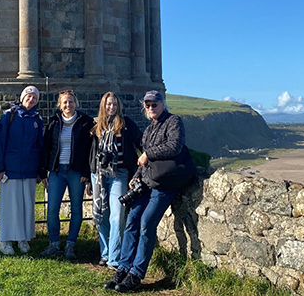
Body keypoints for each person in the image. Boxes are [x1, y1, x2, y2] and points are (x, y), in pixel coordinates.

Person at [105, 90, 196, 293]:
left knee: (147, 223)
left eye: (154, 104)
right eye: (147, 105)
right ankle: (123, 268)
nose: (151, 108)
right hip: (147, 182)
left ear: (163, 104)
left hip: (165, 184)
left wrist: (148, 153)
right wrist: (137, 175)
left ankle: (136, 274)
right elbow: (143, 160)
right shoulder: (149, 129)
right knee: (132, 220)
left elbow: (174, 145)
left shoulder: (174, 121)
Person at [90, 92, 143, 270]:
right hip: (98, 175)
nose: (111, 107)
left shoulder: (126, 123)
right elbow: (89, 154)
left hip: (119, 174)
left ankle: (114, 258)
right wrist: (87, 178)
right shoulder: (96, 126)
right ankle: (105, 253)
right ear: (103, 106)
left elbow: (141, 143)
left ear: (118, 106)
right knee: (101, 216)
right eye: (108, 104)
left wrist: (146, 158)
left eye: (114, 104)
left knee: (117, 215)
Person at [40, 89, 94, 259]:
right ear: (60, 105)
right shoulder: (54, 122)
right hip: (57, 171)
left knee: (76, 209)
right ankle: (54, 244)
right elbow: (46, 148)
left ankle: (70, 245)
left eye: (71, 101)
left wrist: (86, 172)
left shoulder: (85, 122)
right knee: (52, 209)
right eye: (65, 102)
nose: (68, 105)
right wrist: (43, 172)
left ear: (75, 103)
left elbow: (90, 151)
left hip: (76, 172)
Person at [0, 85, 45, 255]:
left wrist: (39, 170)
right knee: (9, 206)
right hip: (11, 169)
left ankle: (23, 238)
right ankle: (5, 239)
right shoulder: (9, 116)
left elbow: (40, 145)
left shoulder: (37, 119)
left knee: (26, 206)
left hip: (29, 169)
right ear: (22, 98)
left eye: (34, 97)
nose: (31, 99)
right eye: (28, 96)